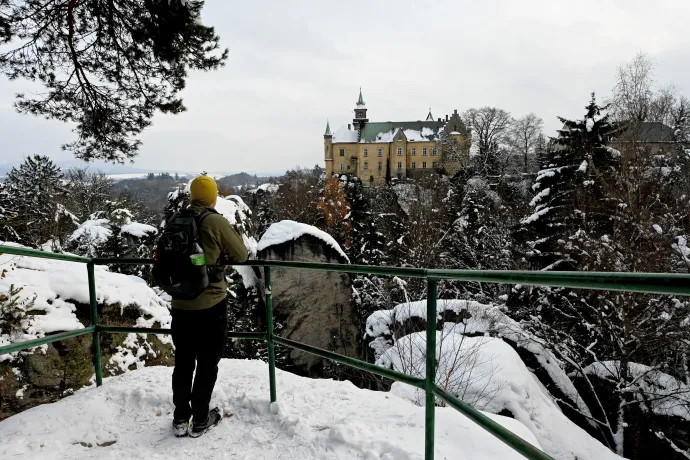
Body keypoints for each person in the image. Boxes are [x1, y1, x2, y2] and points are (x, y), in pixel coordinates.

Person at [171, 175, 248, 438]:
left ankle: (181, 418)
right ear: (213, 196)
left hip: (180, 304)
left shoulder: (176, 220)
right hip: (210, 303)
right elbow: (242, 254)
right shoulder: (214, 220)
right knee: (206, 363)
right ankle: (201, 419)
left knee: (183, 361)